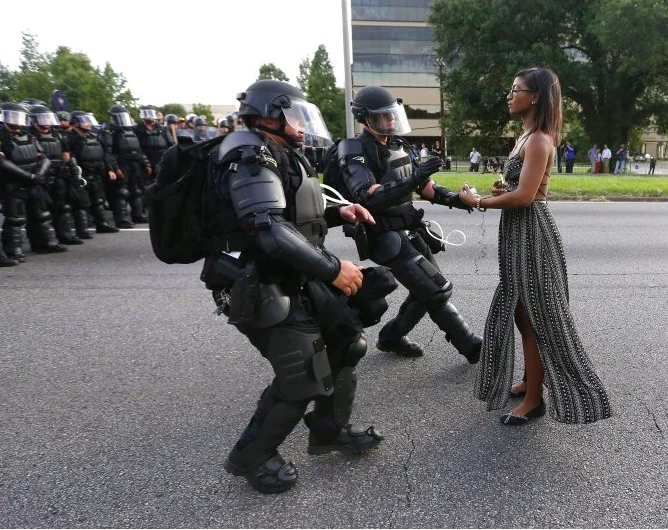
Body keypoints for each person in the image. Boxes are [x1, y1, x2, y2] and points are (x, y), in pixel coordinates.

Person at [203, 79, 384, 494]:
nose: (302, 125)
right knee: (302, 376)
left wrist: (342, 213)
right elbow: (268, 229)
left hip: (293, 275)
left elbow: (294, 214)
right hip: (260, 282)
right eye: (295, 116)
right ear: (269, 115)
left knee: (346, 342)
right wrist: (334, 268)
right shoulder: (248, 153)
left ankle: (327, 430)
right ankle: (251, 457)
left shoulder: (277, 151)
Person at [458, 67, 612, 426]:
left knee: (536, 317)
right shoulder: (525, 137)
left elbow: (527, 197)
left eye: (516, 89)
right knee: (520, 312)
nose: (510, 95)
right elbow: (518, 190)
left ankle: (534, 400)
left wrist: (478, 201)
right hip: (517, 232)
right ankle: (531, 380)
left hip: (532, 234)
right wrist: (501, 191)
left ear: (535, 96)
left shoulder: (540, 139)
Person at [336, 85, 482, 362]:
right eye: (383, 116)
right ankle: (471, 345)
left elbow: (425, 186)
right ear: (365, 118)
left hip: (410, 228)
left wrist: (456, 200)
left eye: (393, 115)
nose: (390, 121)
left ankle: (391, 337)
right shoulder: (353, 148)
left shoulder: (399, 145)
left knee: (425, 289)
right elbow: (366, 196)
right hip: (383, 234)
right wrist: (413, 180)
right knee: (436, 289)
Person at [0, 102, 68, 258]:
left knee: (41, 214)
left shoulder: (30, 136)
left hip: (34, 182)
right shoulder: (2, 137)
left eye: (19, 116)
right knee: (15, 218)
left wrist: (39, 175)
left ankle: (44, 243)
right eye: (13, 116)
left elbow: (44, 157)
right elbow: (3, 162)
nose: (16, 120)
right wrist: (28, 176)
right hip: (13, 183)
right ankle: (13, 250)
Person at [27, 104, 84, 245]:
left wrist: (71, 172)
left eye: (47, 117)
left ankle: (64, 235)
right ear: (34, 120)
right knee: (40, 212)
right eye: (42, 118)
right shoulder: (30, 135)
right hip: (40, 176)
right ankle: (40, 242)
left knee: (61, 207)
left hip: (58, 175)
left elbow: (66, 155)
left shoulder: (57, 134)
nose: (46, 121)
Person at [67, 112, 119, 234]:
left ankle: (102, 224)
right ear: (75, 123)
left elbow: (103, 155)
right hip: (81, 175)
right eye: (84, 121)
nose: (88, 124)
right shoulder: (71, 139)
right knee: (81, 203)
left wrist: (109, 169)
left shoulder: (93, 137)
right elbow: (69, 158)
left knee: (98, 201)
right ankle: (82, 230)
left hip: (95, 174)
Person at [135, 106, 170, 172]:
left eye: (151, 114)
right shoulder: (137, 129)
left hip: (161, 164)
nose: (149, 116)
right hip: (144, 165)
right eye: (147, 114)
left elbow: (171, 145)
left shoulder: (163, 129)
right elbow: (136, 148)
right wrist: (145, 163)